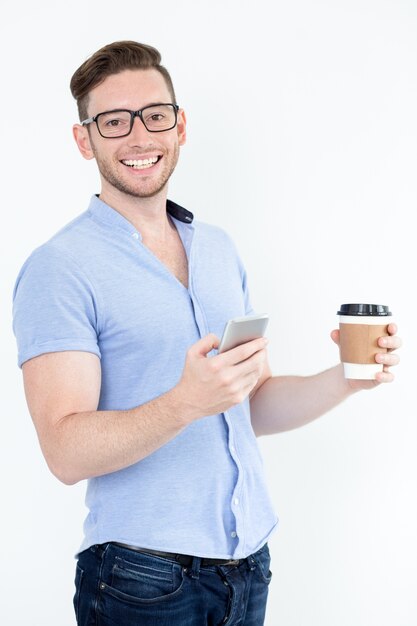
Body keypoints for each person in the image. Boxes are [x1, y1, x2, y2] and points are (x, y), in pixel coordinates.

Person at [12, 40, 401, 626]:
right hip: (139, 579)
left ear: (180, 125)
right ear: (84, 139)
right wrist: (185, 402)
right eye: (113, 122)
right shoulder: (59, 267)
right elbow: (64, 452)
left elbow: (250, 405)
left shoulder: (217, 249)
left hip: (247, 563)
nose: (139, 137)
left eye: (155, 115)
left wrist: (347, 378)